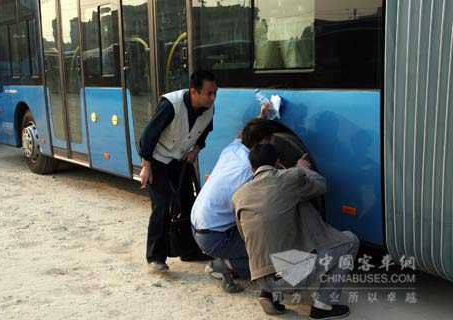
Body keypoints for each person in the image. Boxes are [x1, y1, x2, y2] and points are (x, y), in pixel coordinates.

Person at [232, 143, 359, 319]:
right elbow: (321, 185)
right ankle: (323, 306)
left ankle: (269, 294)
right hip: (289, 276)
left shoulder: (238, 195)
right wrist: (304, 169)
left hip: (260, 275)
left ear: (252, 168)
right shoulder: (290, 177)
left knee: (271, 230)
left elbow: (244, 235)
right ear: (277, 163)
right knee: (351, 240)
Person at [139, 70, 217, 273]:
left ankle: (189, 250)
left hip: (181, 160)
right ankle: (156, 257)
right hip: (157, 160)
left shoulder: (209, 108)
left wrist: (196, 150)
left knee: (189, 203)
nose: (213, 97)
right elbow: (148, 137)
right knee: (162, 205)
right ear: (193, 92)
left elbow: (205, 132)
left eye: (214, 93)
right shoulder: (170, 105)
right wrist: (146, 167)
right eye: (209, 93)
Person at [191, 117, 276, 293]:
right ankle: (222, 265)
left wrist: (261, 117)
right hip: (213, 237)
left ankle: (230, 258)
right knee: (269, 249)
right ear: (264, 143)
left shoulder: (234, 148)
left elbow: (242, 134)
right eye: (272, 144)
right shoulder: (250, 170)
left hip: (197, 225)